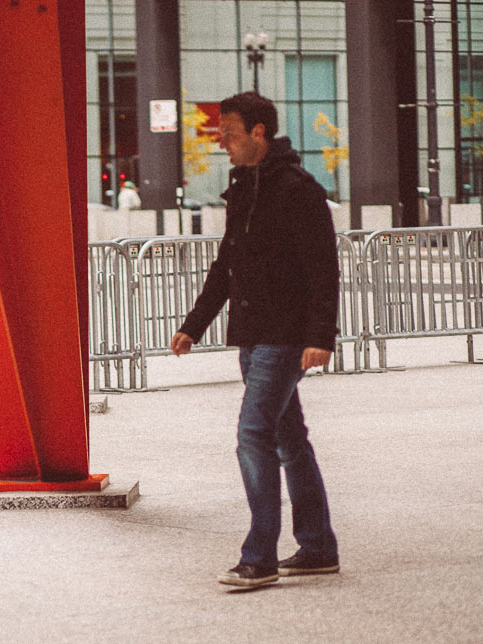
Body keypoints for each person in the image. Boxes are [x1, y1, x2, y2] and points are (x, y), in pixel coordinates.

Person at [170, 92, 340, 589]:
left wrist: (320, 335)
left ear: (260, 133)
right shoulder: (244, 187)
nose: (221, 140)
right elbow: (226, 266)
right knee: (289, 439)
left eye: (231, 132)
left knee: (253, 434)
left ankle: (260, 556)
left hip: (284, 336)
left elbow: (322, 270)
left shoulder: (297, 190)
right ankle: (317, 546)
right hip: (252, 333)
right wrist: (193, 325)